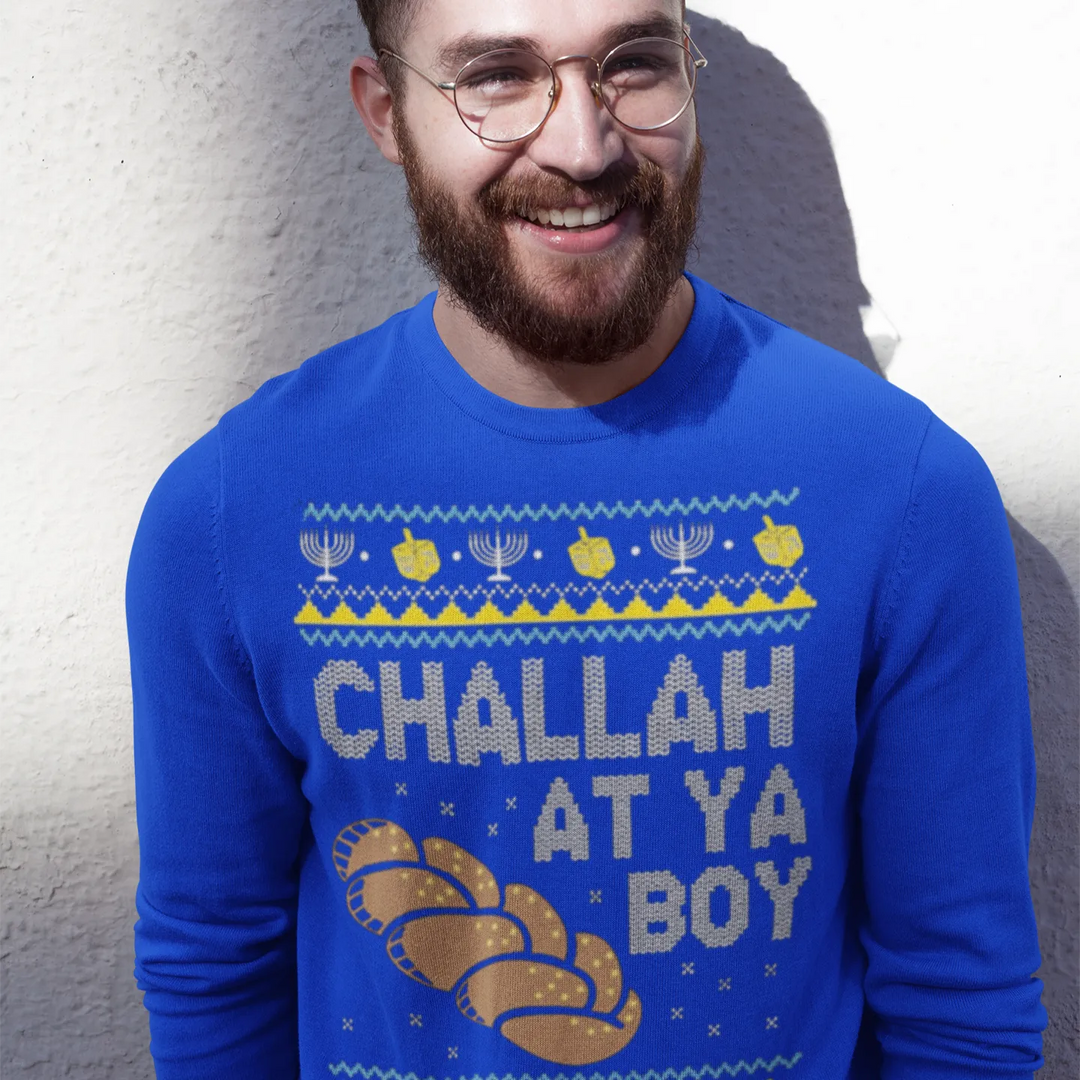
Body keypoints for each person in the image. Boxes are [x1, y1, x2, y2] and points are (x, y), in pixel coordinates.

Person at [125, 0, 1047, 1076]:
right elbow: (214, 969)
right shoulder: (234, 514)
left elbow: (960, 1000)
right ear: (386, 114)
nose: (583, 145)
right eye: (497, 76)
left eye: (635, 63)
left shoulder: (902, 492)